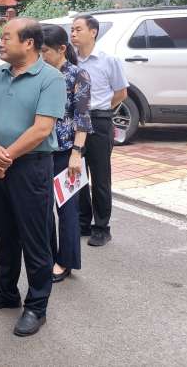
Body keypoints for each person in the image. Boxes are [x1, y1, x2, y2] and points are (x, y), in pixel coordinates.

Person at [0, 18, 66, 337]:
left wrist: (5, 157)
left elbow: (42, 128)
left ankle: (37, 307)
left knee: (35, 239)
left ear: (28, 43)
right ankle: (6, 292)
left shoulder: (51, 78)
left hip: (31, 167)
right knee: (6, 234)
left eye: (6, 37)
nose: (0, 42)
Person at [71, 14, 128, 247]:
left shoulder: (108, 60)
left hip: (99, 120)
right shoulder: (72, 61)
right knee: (77, 173)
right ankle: (83, 222)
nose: (73, 34)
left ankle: (102, 227)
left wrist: (102, 109)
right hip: (75, 122)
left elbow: (121, 93)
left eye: (78, 29)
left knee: (100, 176)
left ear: (93, 32)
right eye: (72, 30)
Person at [41, 25, 92, 283]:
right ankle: (48, 256)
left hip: (66, 152)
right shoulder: (40, 74)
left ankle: (65, 261)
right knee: (43, 207)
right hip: (41, 150)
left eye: (45, 51)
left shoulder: (76, 75)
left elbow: (82, 117)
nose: (42, 55)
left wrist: (76, 153)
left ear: (61, 49)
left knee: (67, 209)